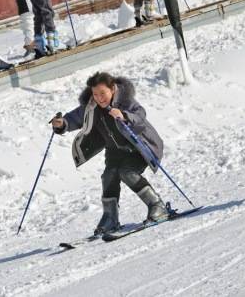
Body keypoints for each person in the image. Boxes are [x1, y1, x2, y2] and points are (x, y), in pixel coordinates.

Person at [51, 72, 168, 235]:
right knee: (108, 177)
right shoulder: (91, 107)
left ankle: (158, 206)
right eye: (95, 94)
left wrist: (123, 115)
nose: (99, 98)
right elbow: (75, 118)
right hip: (114, 151)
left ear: (112, 89)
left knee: (128, 173)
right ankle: (110, 217)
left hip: (138, 148)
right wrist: (62, 123)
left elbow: (140, 116)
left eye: (103, 93)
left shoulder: (125, 101)